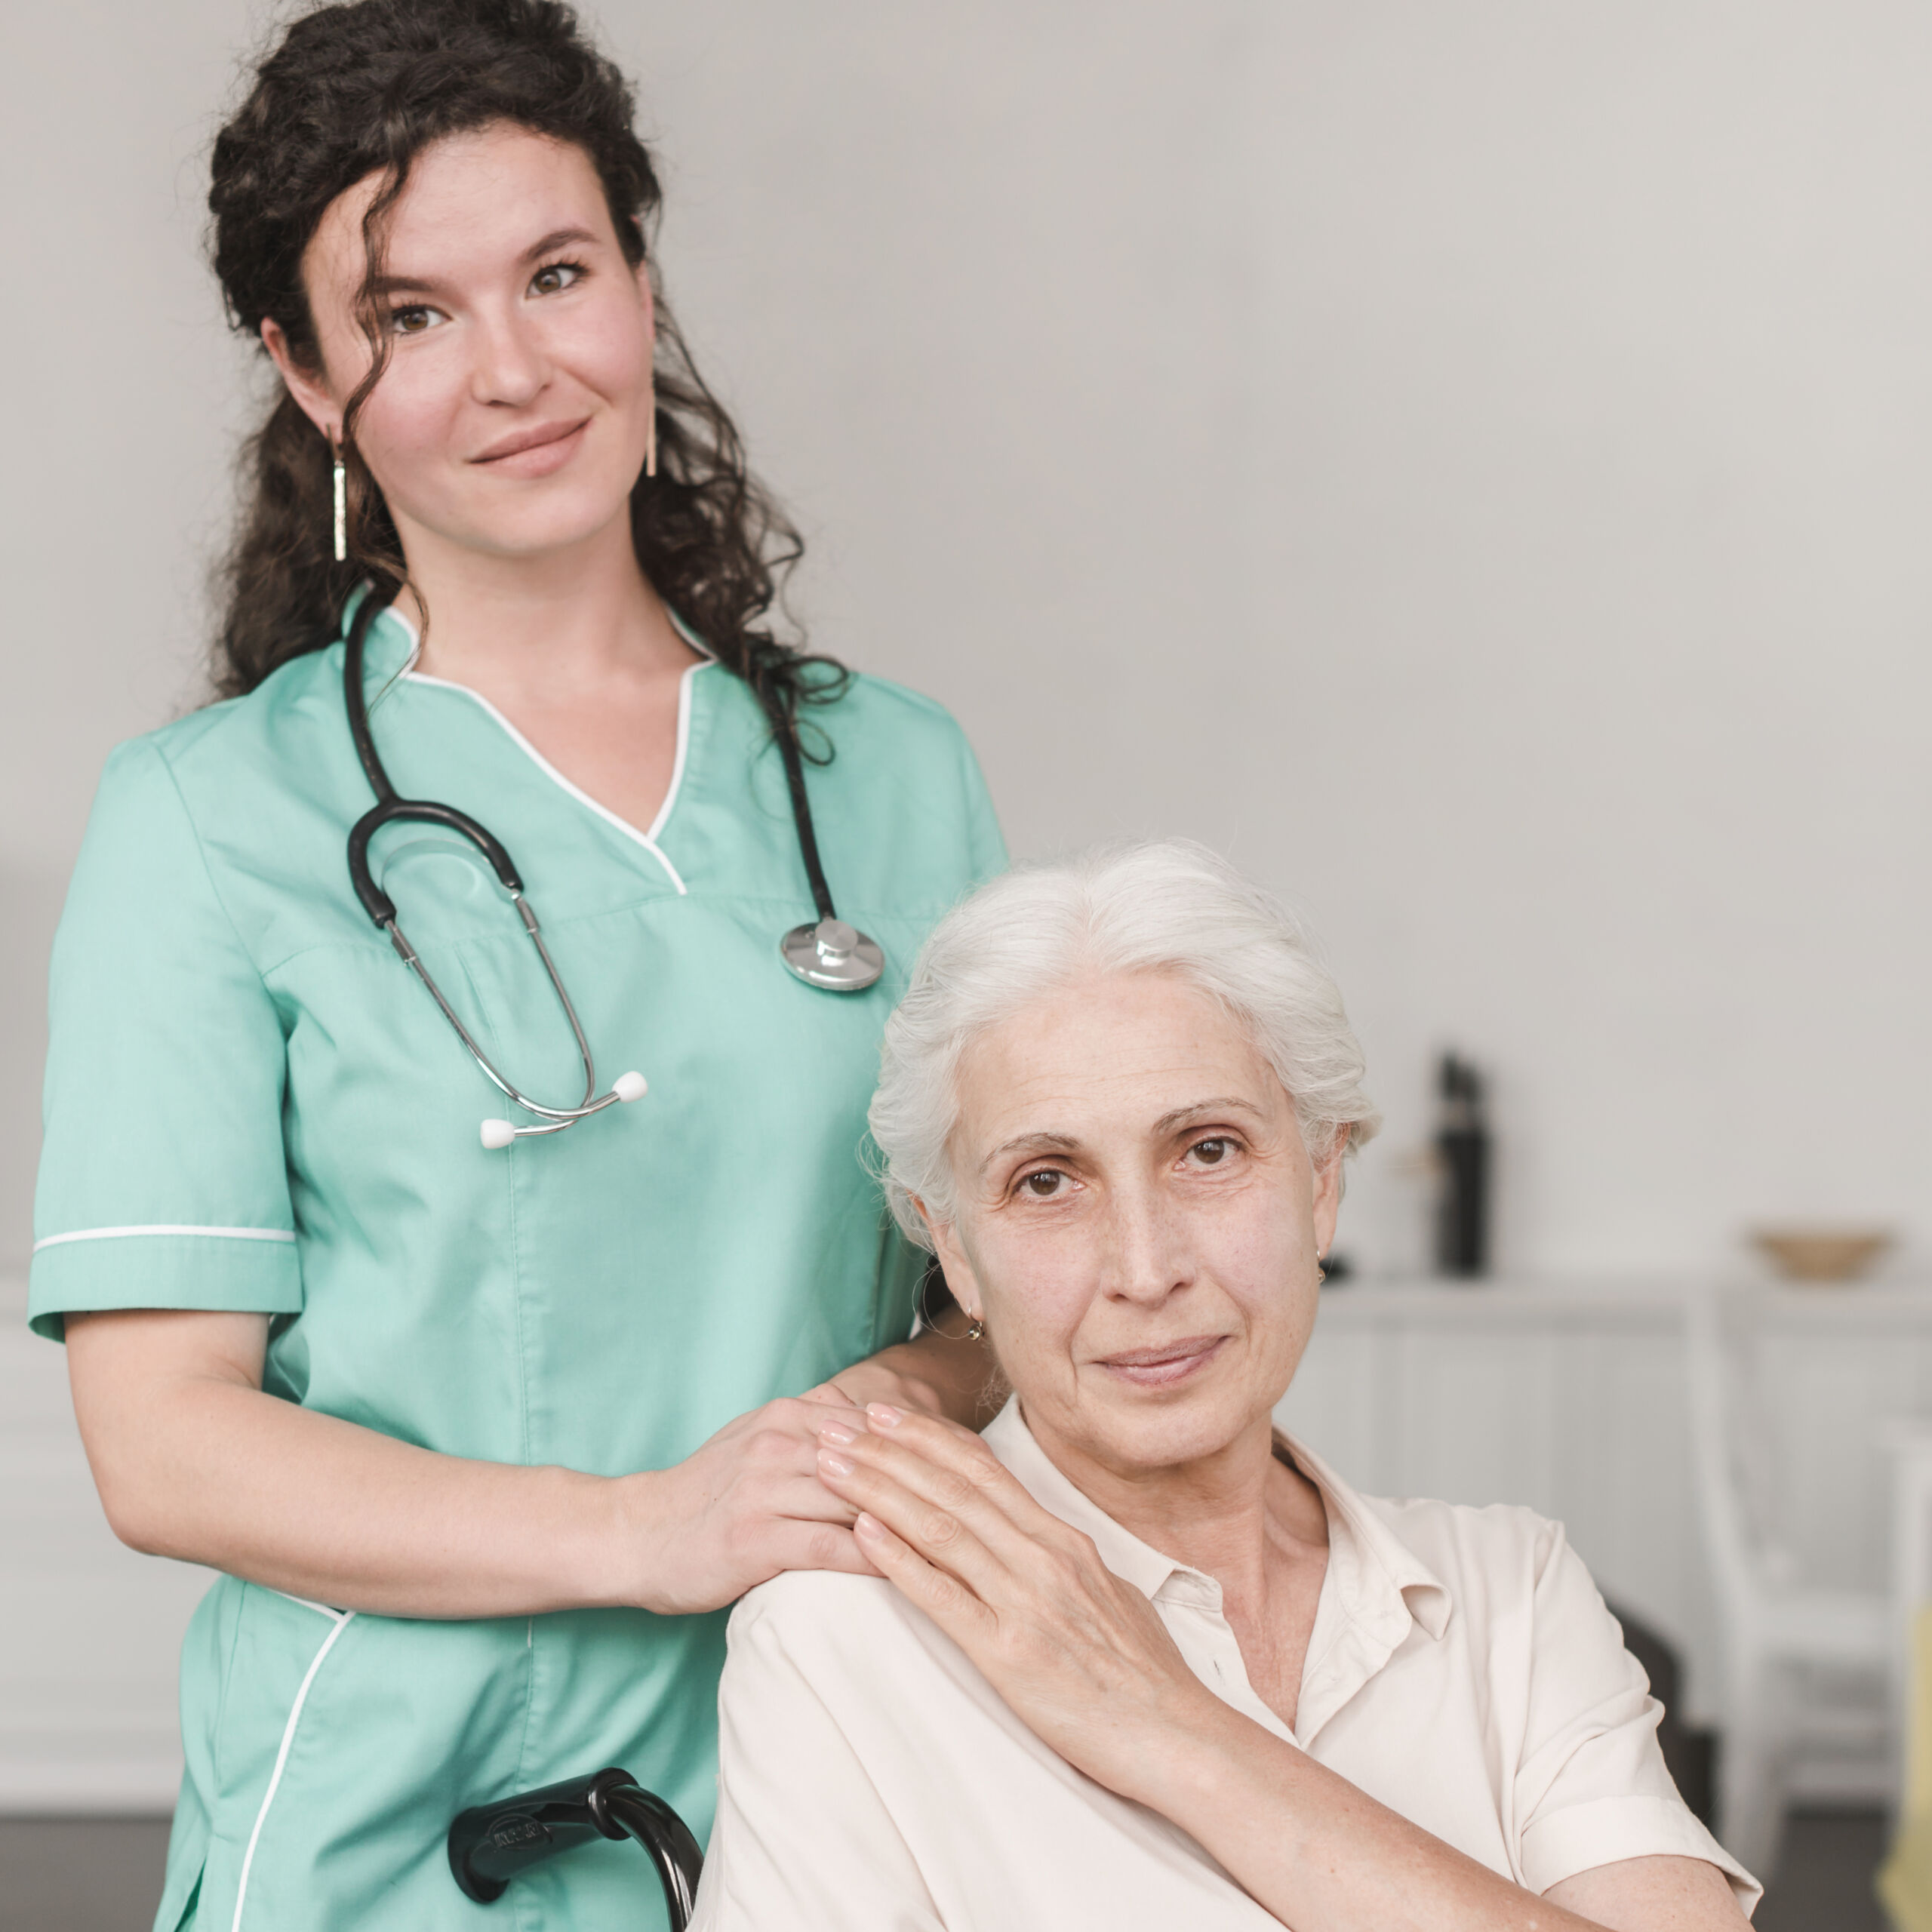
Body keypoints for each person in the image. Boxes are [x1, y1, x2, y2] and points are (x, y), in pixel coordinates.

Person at [32, 4, 1003, 1927]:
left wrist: (869, 1428)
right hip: (406, 1825)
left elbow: (1004, 1292)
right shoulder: (208, 820)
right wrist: (648, 1529)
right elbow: (164, 1446)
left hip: (834, 1768)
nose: (514, 370)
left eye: (558, 273)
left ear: (639, 281)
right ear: (301, 371)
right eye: (408, 314)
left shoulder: (892, 775)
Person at [692, 841, 1760, 1931]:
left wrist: (1172, 1729)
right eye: (1046, 1181)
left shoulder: (1512, 1591)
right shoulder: (838, 1640)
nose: (1147, 1270)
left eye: (1207, 1151)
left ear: (1321, 1180)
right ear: (955, 1250)